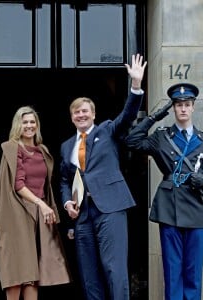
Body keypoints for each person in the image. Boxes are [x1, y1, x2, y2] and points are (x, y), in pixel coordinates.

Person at [59, 53, 147, 300]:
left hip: (111, 208)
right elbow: (65, 179)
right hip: (83, 215)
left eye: (85, 111)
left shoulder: (108, 130)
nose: (81, 115)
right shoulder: (67, 146)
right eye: (76, 112)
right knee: (89, 274)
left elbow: (128, 115)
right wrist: (67, 202)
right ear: (71, 117)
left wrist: (136, 85)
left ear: (93, 114)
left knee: (114, 269)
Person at [125, 83, 203, 300]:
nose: (183, 109)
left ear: (193, 107)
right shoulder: (162, 137)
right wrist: (155, 116)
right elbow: (132, 141)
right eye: (178, 105)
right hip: (170, 208)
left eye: (186, 104)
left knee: (193, 272)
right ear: (173, 109)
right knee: (173, 271)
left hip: (194, 208)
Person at [0, 106, 71, 300]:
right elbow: (17, 185)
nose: (29, 126)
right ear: (18, 125)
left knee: (33, 275)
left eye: (32, 122)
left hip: (38, 217)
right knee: (17, 273)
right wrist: (42, 204)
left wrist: (44, 206)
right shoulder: (13, 148)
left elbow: (47, 185)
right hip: (17, 215)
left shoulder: (42, 150)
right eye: (25, 122)